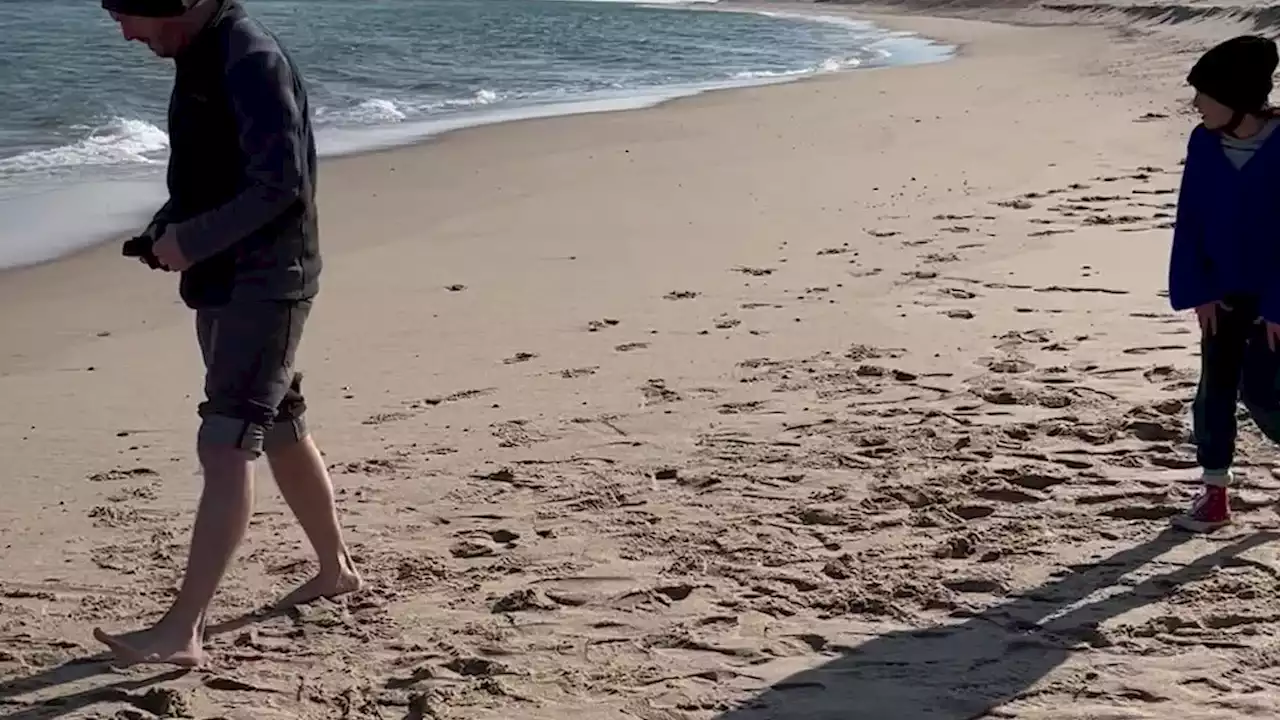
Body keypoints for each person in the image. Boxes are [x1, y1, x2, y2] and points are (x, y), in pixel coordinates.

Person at [94, 0, 362, 667]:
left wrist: (196, 238)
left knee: (226, 442)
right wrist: (166, 229)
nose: (125, 32)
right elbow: (210, 173)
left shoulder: (251, 59)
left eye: (129, 15)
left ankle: (183, 630)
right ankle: (336, 569)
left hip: (267, 283)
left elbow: (282, 185)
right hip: (230, 281)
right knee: (279, 424)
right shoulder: (202, 53)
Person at [1167, 34, 1280, 533]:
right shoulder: (1203, 142)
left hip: (1275, 300)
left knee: (1265, 395)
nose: (1195, 105)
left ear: (1234, 98)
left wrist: (1279, 306)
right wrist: (1199, 290)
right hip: (1220, 294)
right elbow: (1189, 217)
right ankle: (1214, 492)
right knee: (1213, 392)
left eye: (1203, 94)